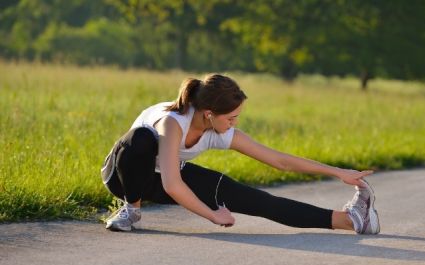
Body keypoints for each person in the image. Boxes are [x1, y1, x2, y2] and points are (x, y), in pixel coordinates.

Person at [101, 74, 380, 234]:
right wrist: (213, 215)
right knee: (139, 141)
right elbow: (172, 185)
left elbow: (279, 161)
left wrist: (338, 172)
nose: (235, 123)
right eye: (231, 118)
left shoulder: (217, 129)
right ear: (209, 114)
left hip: (167, 175)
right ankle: (131, 210)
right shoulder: (173, 122)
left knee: (258, 200)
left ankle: (351, 219)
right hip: (123, 176)